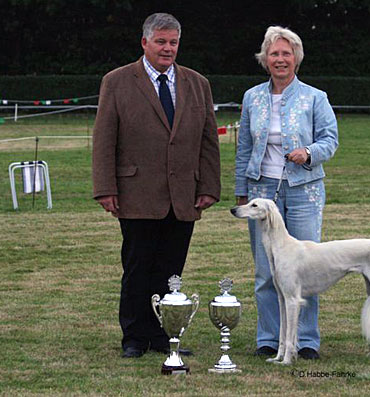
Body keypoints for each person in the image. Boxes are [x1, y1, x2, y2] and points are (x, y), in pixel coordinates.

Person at [92, 13, 220, 358]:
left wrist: (209, 185)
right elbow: (104, 139)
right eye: (161, 41)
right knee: (137, 267)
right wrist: (106, 187)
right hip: (136, 194)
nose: (167, 48)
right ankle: (134, 337)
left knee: (171, 271)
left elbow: (209, 140)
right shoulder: (117, 81)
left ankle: (165, 336)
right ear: (144, 42)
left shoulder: (197, 83)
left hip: (184, 196)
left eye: (173, 42)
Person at [235, 26, 338, 360]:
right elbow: (244, 147)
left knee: (306, 269)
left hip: (303, 192)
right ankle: (270, 337)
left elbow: (330, 140)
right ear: (265, 59)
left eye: (286, 53)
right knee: (267, 270)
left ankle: (305, 341)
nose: (280, 59)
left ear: (296, 58)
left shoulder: (314, 97)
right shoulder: (252, 98)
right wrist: (241, 191)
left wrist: (308, 153)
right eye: (274, 53)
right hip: (262, 192)